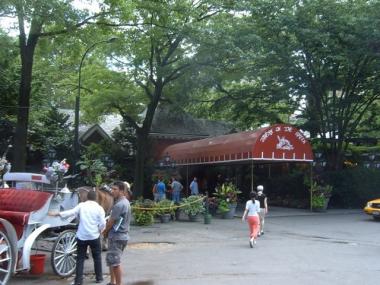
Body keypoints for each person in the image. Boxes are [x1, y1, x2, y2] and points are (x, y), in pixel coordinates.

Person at [49, 190, 106, 285]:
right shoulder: (99, 208)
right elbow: (103, 223)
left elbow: (70, 212)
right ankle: (99, 278)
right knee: (97, 257)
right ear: (96, 198)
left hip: (82, 236)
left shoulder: (81, 206)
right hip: (94, 236)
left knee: (80, 258)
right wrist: (100, 229)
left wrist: (57, 214)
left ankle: (78, 280)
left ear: (87, 197)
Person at [103, 181, 131, 285]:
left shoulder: (119, 205)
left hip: (117, 237)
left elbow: (111, 222)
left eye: (115, 189)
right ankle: (112, 282)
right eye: (112, 189)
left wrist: (104, 232)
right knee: (112, 261)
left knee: (115, 263)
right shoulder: (125, 202)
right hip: (121, 236)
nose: (112, 191)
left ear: (122, 191)